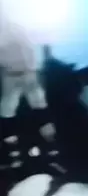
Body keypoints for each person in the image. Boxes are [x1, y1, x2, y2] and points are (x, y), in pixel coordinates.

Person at [0, 10, 57, 167]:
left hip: (17, 74)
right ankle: (51, 145)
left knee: (8, 111)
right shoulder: (18, 29)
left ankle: (15, 150)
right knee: (36, 109)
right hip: (25, 73)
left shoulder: (9, 31)